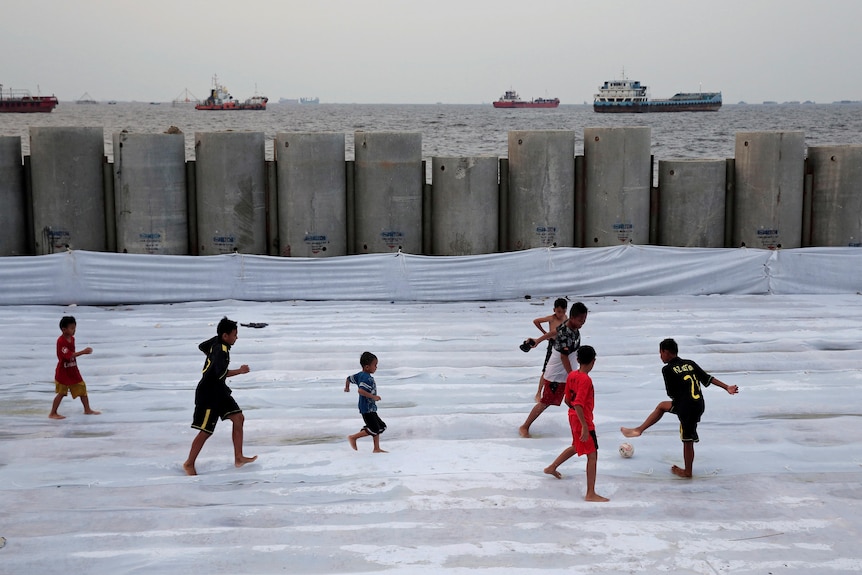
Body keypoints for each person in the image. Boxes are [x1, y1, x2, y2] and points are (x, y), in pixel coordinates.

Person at [621, 338, 739, 478]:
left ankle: (687, 472)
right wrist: (726, 387)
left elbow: (671, 393)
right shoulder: (690, 363)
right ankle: (639, 430)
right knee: (662, 406)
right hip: (699, 404)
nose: (660, 357)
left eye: (661, 353)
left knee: (687, 440)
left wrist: (681, 402)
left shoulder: (667, 369)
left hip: (686, 407)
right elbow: (708, 378)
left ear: (666, 352)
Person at [183, 317, 257, 476]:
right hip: (209, 393)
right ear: (225, 336)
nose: (236, 338)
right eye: (234, 335)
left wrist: (212, 352)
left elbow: (202, 346)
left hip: (220, 391)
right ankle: (189, 463)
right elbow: (220, 373)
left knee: (238, 418)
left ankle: (238, 457)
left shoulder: (218, 344)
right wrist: (240, 370)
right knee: (206, 430)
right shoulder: (221, 351)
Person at [544, 345, 608, 502]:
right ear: (593, 361)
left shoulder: (572, 375)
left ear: (577, 359)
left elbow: (568, 400)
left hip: (572, 417)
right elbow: (578, 403)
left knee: (576, 445)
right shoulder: (585, 380)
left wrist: (576, 417)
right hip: (583, 420)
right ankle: (590, 493)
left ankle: (552, 467)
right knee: (592, 455)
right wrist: (585, 427)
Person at [519, 302, 588, 438]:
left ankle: (584, 426)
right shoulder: (565, 334)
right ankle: (524, 426)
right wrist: (573, 376)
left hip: (570, 369)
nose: (583, 323)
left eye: (584, 320)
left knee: (574, 399)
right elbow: (564, 357)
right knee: (545, 402)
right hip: (557, 374)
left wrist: (538, 340)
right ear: (573, 318)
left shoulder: (569, 324)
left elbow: (553, 332)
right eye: (581, 320)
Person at [49, 316, 100, 419]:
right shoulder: (61, 341)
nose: (74, 330)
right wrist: (83, 352)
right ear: (64, 330)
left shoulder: (72, 339)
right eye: (72, 328)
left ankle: (87, 409)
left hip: (73, 369)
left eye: (74, 328)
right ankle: (53, 413)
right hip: (63, 371)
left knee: (82, 388)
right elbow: (69, 355)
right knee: (62, 393)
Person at [523, 297, 568, 400]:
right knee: (546, 369)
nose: (560, 314)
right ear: (554, 310)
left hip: (562, 344)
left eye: (563, 311)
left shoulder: (565, 317)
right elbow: (536, 321)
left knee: (564, 367)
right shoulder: (552, 318)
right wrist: (545, 333)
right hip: (552, 345)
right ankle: (539, 392)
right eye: (558, 311)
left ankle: (564, 390)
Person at [344, 351, 387, 453]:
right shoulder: (366, 378)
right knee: (374, 428)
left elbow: (348, 379)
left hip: (370, 407)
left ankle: (376, 448)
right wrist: (374, 397)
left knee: (381, 427)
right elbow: (361, 391)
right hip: (366, 408)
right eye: (375, 365)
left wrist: (347, 387)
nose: (376, 367)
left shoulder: (359, 375)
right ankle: (353, 437)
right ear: (367, 367)